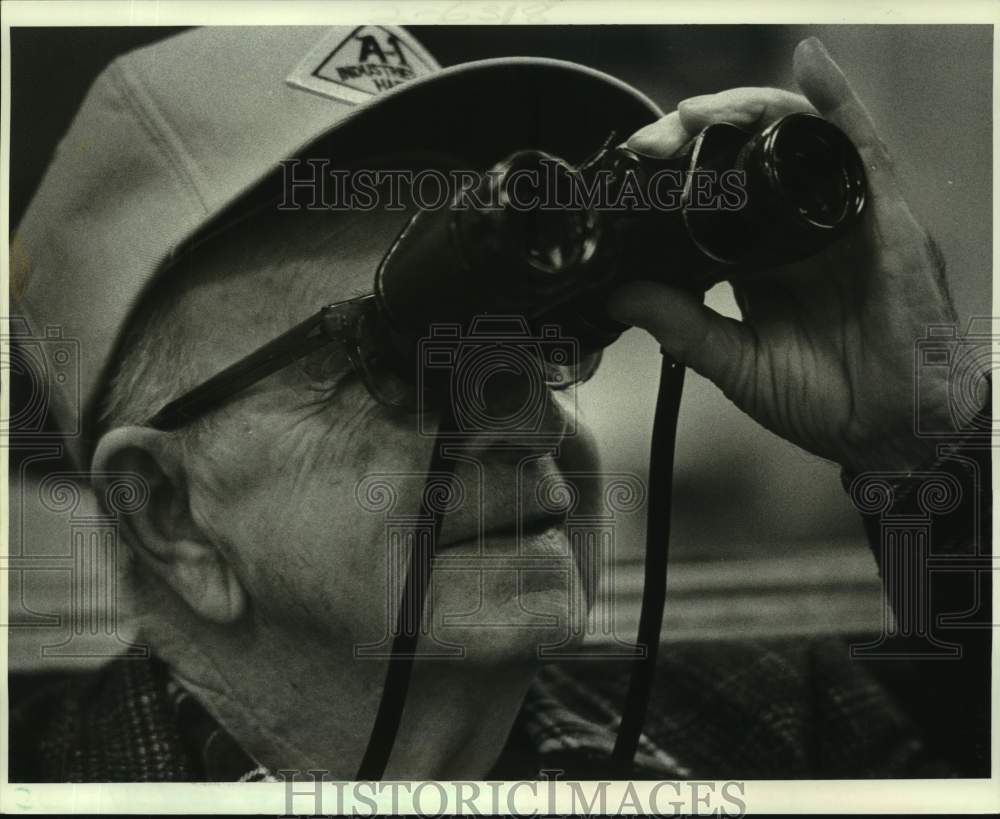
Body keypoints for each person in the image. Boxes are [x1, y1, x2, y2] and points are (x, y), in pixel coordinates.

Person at [9, 26, 989, 782]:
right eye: (399, 347)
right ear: (168, 512)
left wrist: (927, 447)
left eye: (543, 322)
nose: (525, 417)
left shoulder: (785, 736)